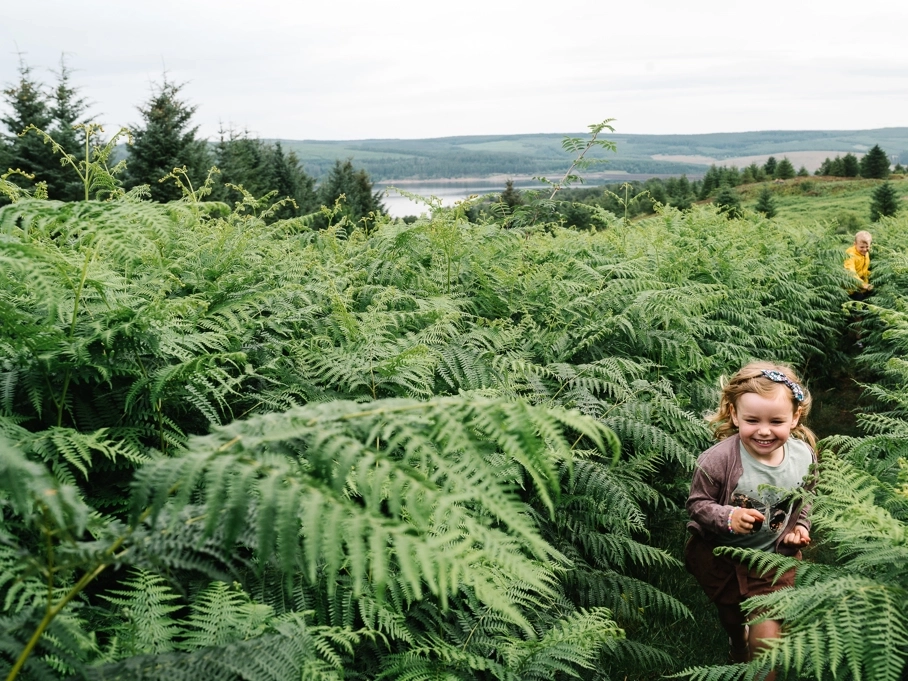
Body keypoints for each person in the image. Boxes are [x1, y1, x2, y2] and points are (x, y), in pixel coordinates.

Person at [685, 362, 817, 676]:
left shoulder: (803, 457)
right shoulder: (718, 460)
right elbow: (697, 504)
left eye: (776, 421)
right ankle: (737, 642)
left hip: (772, 561)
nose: (764, 430)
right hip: (723, 557)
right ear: (733, 415)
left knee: (767, 636)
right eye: (752, 420)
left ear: (795, 417)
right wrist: (728, 516)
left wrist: (800, 526)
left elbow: (807, 495)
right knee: (732, 616)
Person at [844, 230, 872, 301]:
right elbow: (850, 273)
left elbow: (863, 270)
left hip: (861, 288)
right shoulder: (850, 255)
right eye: (862, 247)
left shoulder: (865, 253)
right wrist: (864, 285)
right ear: (855, 244)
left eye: (867, 246)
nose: (865, 249)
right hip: (850, 290)